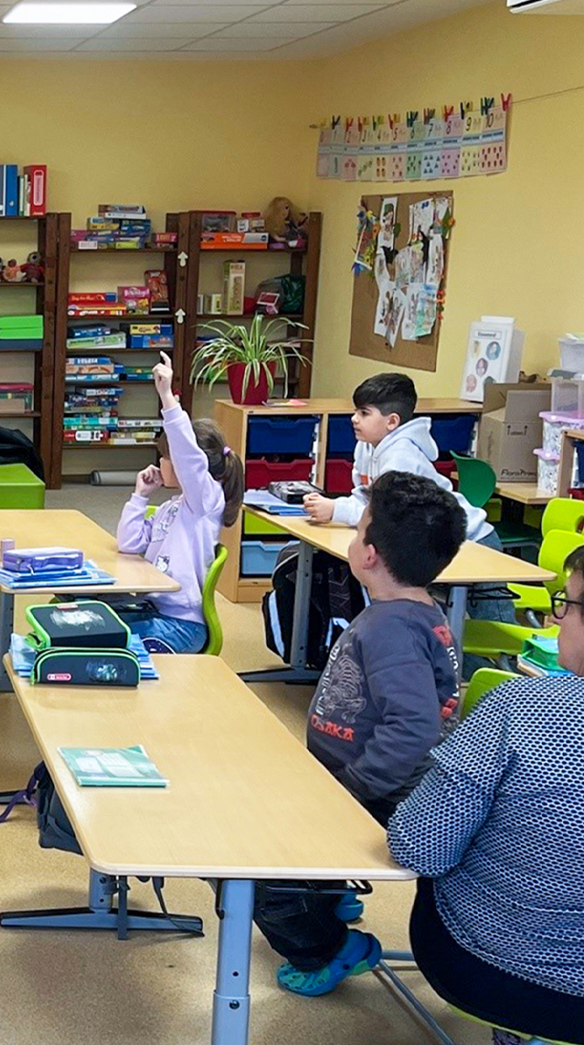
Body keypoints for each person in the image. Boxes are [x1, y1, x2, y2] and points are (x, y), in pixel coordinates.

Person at [254, 471, 465, 996]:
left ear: (369, 554)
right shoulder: (413, 612)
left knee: (261, 875)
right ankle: (326, 893)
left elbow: (414, 725)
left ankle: (327, 946)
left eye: (359, 528)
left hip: (378, 792)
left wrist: (353, 790)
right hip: (361, 781)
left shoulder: (391, 628)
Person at [387, 545, 584, 1045]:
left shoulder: (519, 709)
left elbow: (418, 845)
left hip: (496, 973)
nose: (556, 619)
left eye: (567, 603)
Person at [301, 372, 512, 673]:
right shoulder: (368, 446)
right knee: (468, 631)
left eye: (364, 413)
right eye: (356, 411)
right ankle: (461, 672)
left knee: (498, 631)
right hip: (435, 539)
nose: (353, 419)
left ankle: (517, 686)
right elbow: (365, 496)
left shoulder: (401, 456)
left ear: (392, 422)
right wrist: (338, 507)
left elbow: (380, 510)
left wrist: (336, 509)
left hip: (473, 539)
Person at [116, 353, 244, 653]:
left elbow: (189, 458)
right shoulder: (170, 508)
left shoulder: (205, 501)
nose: (161, 461)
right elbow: (129, 543)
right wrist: (140, 497)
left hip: (181, 626)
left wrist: (166, 397)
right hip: (154, 611)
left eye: (166, 455)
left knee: (112, 645)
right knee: (93, 625)